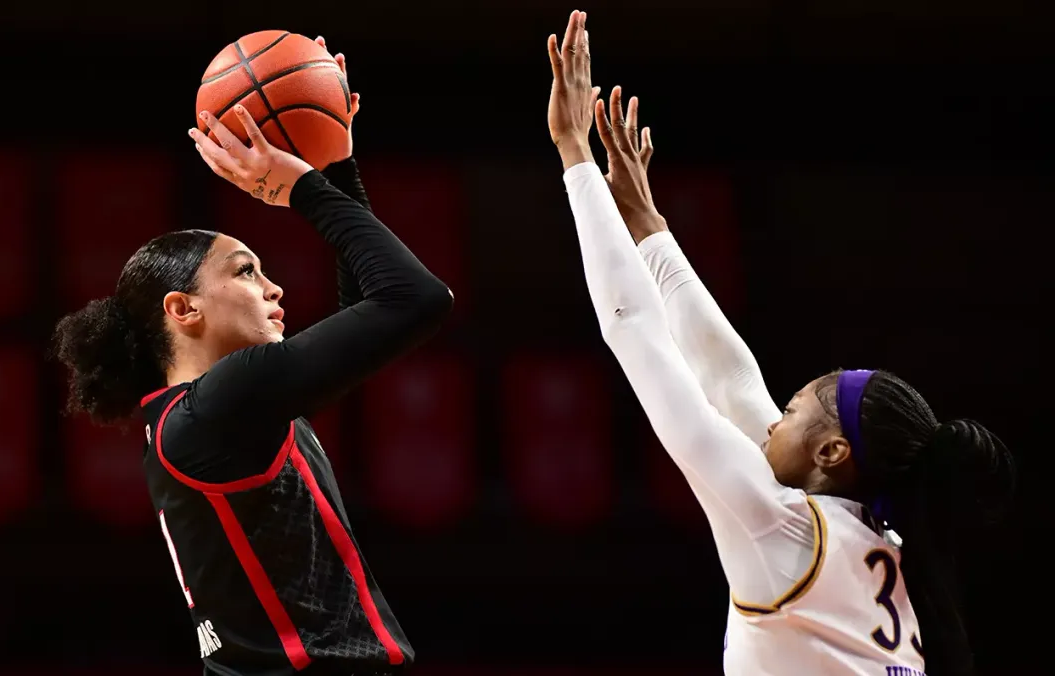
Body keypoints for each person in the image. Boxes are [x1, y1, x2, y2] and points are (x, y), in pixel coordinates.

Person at [546, 10, 1015, 676]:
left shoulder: (781, 528)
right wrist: (650, 227)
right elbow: (732, 382)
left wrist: (575, 155)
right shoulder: (878, 546)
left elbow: (636, 330)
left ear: (832, 451)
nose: (771, 420)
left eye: (791, 412)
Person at [52, 43, 451, 676]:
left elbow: (376, 307)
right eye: (246, 272)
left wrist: (338, 162)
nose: (275, 289)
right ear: (183, 309)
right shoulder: (226, 402)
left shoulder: (206, 413)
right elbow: (414, 299)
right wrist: (304, 188)